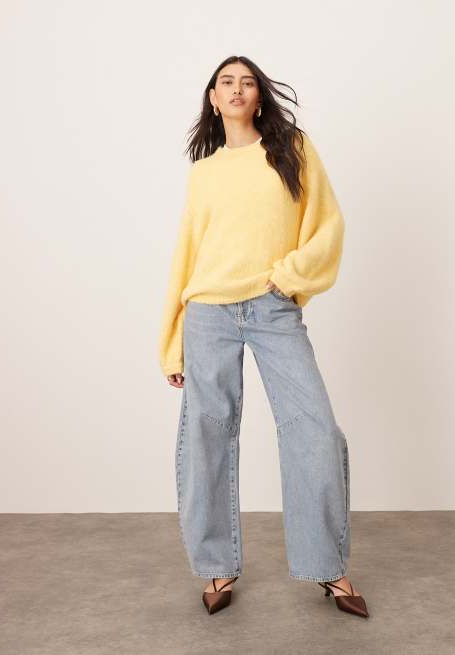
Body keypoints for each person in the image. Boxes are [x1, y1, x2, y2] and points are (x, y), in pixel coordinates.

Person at [158, 55, 369, 619]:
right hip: (207, 311)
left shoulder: (292, 150)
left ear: (258, 96)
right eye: (226, 82)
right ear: (212, 98)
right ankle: (216, 565)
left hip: (273, 307)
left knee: (315, 429)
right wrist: (172, 340)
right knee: (206, 435)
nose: (237, 89)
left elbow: (328, 224)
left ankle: (328, 567)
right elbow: (185, 256)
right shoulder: (204, 172)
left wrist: (288, 278)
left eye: (247, 82)